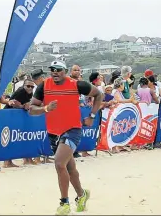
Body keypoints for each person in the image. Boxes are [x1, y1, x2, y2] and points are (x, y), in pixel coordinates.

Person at [29, 60, 103, 215]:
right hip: (53, 132)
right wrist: (46, 108)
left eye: (58, 70)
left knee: (58, 163)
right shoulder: (44, 86)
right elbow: (31, 109)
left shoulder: (76, 84)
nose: (55, 72)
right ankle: (82, 195)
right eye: (52, 70)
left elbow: (99, 94)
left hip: (72, 129)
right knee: (69, 167)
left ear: (66, 71)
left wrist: (92, 116)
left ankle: (64, 203)